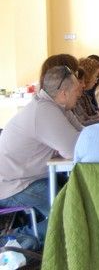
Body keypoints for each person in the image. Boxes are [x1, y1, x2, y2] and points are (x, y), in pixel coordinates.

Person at [0, 66, 82, 243]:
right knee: (73, 214)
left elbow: (82, 134)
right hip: (15, 185)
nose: (80, 94)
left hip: (26, 178)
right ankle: (16, 240)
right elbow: (75, 149)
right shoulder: (44, 111)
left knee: (76, 207)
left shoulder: (59, 107)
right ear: (63, 93)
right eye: (76, 90)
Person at [71, 57, 99, 126]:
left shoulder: (84, 95)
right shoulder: (78, 97)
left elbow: (91, 115)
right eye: (96, 76)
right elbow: (84, 122)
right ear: (89, 76)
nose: (97, 80)